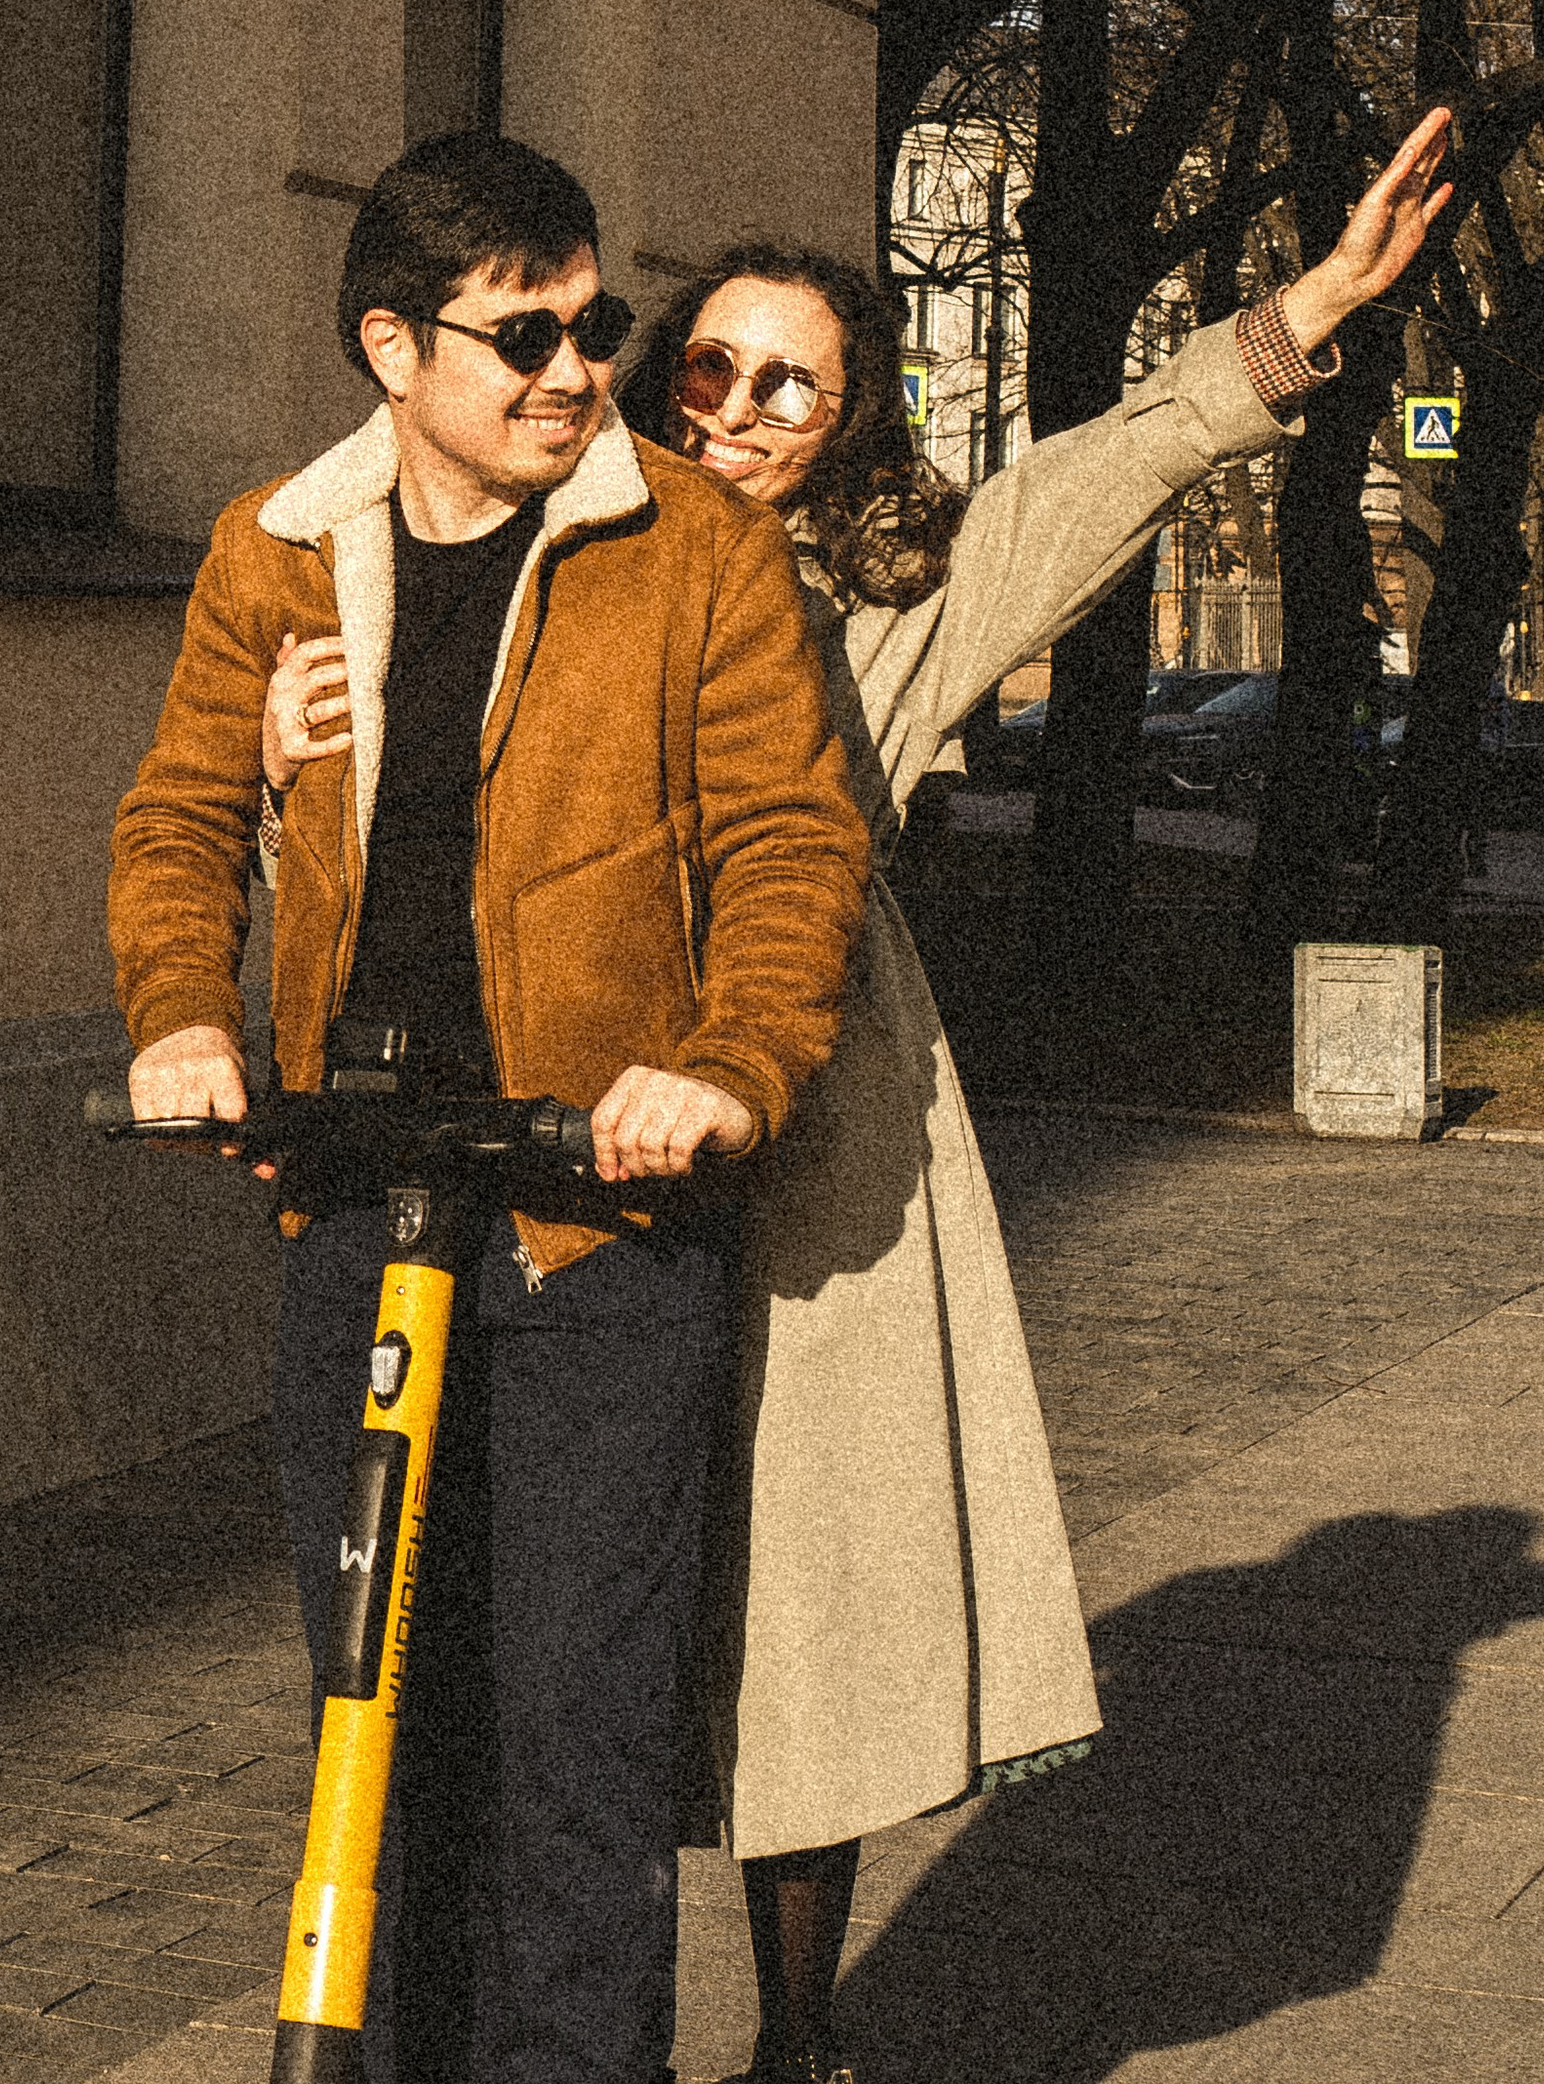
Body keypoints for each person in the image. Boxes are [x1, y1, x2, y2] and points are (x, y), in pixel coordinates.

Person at [585, 104, 1454, 2084]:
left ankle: (796, 2044)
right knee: (580, 1592)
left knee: (795, 1586)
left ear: (844, 429)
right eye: (710, 366)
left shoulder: (890, 600)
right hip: (569, 1120)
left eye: (790, 384)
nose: (739, 408)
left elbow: (1109, 468)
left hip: (806, 1136)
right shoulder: (550, 554)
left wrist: (1305, 311)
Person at [109, 133, 874, 2084]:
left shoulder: (693, 551)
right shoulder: (275, 549)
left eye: (592, 327)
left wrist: (722, 1070)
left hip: (586, 1218)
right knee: (375, 1721)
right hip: (353, 1196)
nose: (575, 372)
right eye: (523, 336)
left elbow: (792, 851)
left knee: (573, 1743)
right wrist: (183, 1022)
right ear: (394, 347)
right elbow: (178, 818)